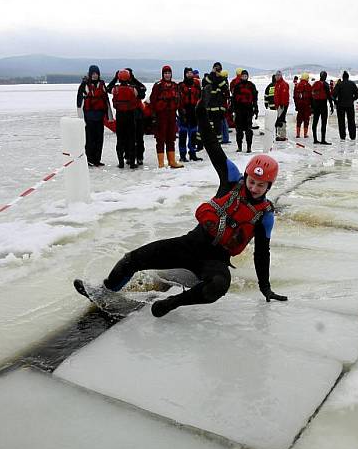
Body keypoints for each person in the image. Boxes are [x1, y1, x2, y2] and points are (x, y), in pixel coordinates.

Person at [95, 102, 287, 318]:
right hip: (190, 244)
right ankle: (106, 292)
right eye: (252, 181)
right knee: (132, 259)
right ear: (246, 176)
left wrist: (265, 287)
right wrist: (201, 114)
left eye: (261, 185)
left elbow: (262, 253)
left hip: (215, 261)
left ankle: (172, 303)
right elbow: (213, 146)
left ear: (269, 186)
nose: (254, 188)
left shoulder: (265, 215)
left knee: (219, 286)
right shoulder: (232, 180)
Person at [76, 65, 111, 167]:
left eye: (96, 74)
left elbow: (106, 100)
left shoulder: (102, 84)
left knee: (99, 139)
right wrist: (81, 118)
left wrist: (109, 116)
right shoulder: (84, 85)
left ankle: (97, 159)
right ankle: (90, 159)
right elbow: (79, 102)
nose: (95, 75)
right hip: (89, 116)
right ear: (90, 74)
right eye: (93, 74)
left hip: (100, 116)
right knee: (90, 139)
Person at [150, 65, 182, 169]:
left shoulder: (175, 86)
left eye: (169, 73)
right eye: (165, 73)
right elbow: (153, 101)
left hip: (172, 114)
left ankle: (172, 161)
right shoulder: (158, 86)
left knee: (171, 137)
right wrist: (154, 116)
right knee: (160, 138)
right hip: (161, 115)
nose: (167, 75)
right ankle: (161, 163)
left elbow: (179, 100)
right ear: (162, 74)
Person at [109, 70, 139, 169]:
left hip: (120, 117)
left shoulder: (115, 89)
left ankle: (121, 162)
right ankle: (131, 163)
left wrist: (114, 79)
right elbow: (139, 93)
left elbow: (108, 89)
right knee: (131, 139)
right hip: (130, 117)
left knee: (120, 140)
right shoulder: (133, 89)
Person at [178, 67, 203, 162]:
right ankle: (182, 155)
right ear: (185, 74)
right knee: (183, 135)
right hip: (184, 112)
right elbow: (178, 100)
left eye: (190, 73)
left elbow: (200, 98)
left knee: (193, 135)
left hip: (194, 112)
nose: (189, 74)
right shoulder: (180, 86)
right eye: (187, 73)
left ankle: (192, 154)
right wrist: (181, 112)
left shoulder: (196, 85)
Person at [231, 69, 259, 152]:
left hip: (248, 110)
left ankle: (249, 147)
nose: (244, 77)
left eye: (245, 76)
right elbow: (233, 99)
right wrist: (232, 109)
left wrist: (256, 109)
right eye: (243, 76)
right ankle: (239, 147)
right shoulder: (237, 86)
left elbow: (255, 99)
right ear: (241, 76)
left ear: (248, 77)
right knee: (239, 130)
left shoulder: (251, 86)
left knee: (248, 130)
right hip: (239, 110)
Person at [202, 62, 229, 143]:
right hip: (209, 107)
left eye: (219, 69)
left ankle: (218, 143)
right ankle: (210, 142)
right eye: (216, 68)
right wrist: (212, 74)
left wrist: (218, 77)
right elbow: (204, 83)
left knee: (218, 127)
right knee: (209, 126)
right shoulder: (208, 77)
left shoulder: (222, 79)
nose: (217, 70)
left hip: (218, 108)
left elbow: (225, 90)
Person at [332, 70, 358, 141]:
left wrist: (336, 102)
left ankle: (342, 136)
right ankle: (352, 136)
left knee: (341, 121)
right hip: (350, 105)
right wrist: (352, 99)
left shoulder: (339, 84)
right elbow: (357, 94)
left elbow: (333, 95)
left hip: (340, 105)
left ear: (343, 77)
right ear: (348, 77)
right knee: (351, 121)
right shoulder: (352, 84)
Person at [311, 71, 334, 144]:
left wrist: (312, 106)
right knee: (323, 122)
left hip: (316, 104)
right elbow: (329, 96)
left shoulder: (315, 84)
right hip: (323, 104)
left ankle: (315, 139)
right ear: (325, 76)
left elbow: (311, 95)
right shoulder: (326, 84)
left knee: (315, 122)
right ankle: (323, 140)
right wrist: (331, 105)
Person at [293, 72, 313, 138]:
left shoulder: (297, 86)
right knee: (306, 119)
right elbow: (311, 97)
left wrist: (296, 105)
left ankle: (298, 134)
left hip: (299, 105)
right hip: (307, 106)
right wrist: (312, 106)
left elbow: (295, 97)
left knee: (299, 119)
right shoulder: (309, 86)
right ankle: (305, 134)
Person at [273, 70, 290, 141]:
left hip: (282, 105)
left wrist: (282, 104)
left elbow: (285, 95)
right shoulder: (277, 84)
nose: (277, 77)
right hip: (278, 105)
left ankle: (282, 135)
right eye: (276, 76)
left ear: (281, 76)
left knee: (281, 120)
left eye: (278, 75)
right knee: (279, 120)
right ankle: (279, 134)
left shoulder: (283, 84)